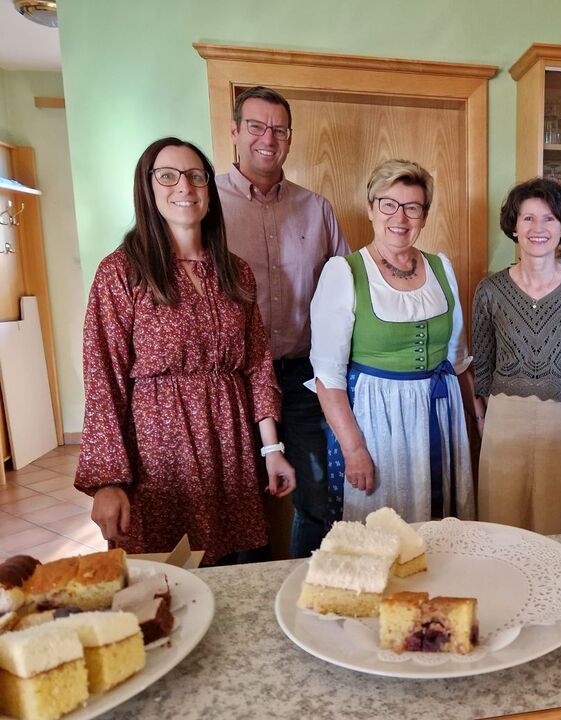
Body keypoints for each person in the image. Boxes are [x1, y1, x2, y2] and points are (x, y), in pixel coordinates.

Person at [75, 137, 296, 565]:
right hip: (158, 455)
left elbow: (257, 366)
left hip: (231, 447)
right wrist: (108, 481)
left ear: (209, 190)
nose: (184, 187)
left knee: (234, 572)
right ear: (147, 188)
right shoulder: (120, 272)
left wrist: (272, 449)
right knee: (165, 579)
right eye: (168, 176)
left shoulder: (236, 272)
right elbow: (103, 380)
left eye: (196, 176)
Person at [216, 86, 349, 558]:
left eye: (279, 130)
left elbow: (344, 295)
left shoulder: (317, 209)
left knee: (318, 498)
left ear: (290, 139)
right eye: (256, 126)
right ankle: (246, 594)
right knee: (239, 507)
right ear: (234, 132)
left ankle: (304, 590)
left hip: (302, 379)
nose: (268, 138)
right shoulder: (205, 205)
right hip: (231, 383)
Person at [308, 159, 475, 522]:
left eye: (412, 207)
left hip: (440, 414)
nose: (400, 217)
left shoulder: (441, 267)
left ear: (424, 216)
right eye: (388, 204)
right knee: (384, 523)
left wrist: (477, 420)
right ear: (371, 208)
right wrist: (354, 450)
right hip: (377, 419)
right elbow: (328, 377)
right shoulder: (344, 273)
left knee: (442, 526)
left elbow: (458, 358)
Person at [471, 178, 561, 534]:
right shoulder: (489, 290)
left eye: (549, 218)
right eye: (528, 218)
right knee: (503, 525)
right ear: (514, 227)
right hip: (505, 420)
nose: (538, 228)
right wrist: (484, 415)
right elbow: (482, 363)